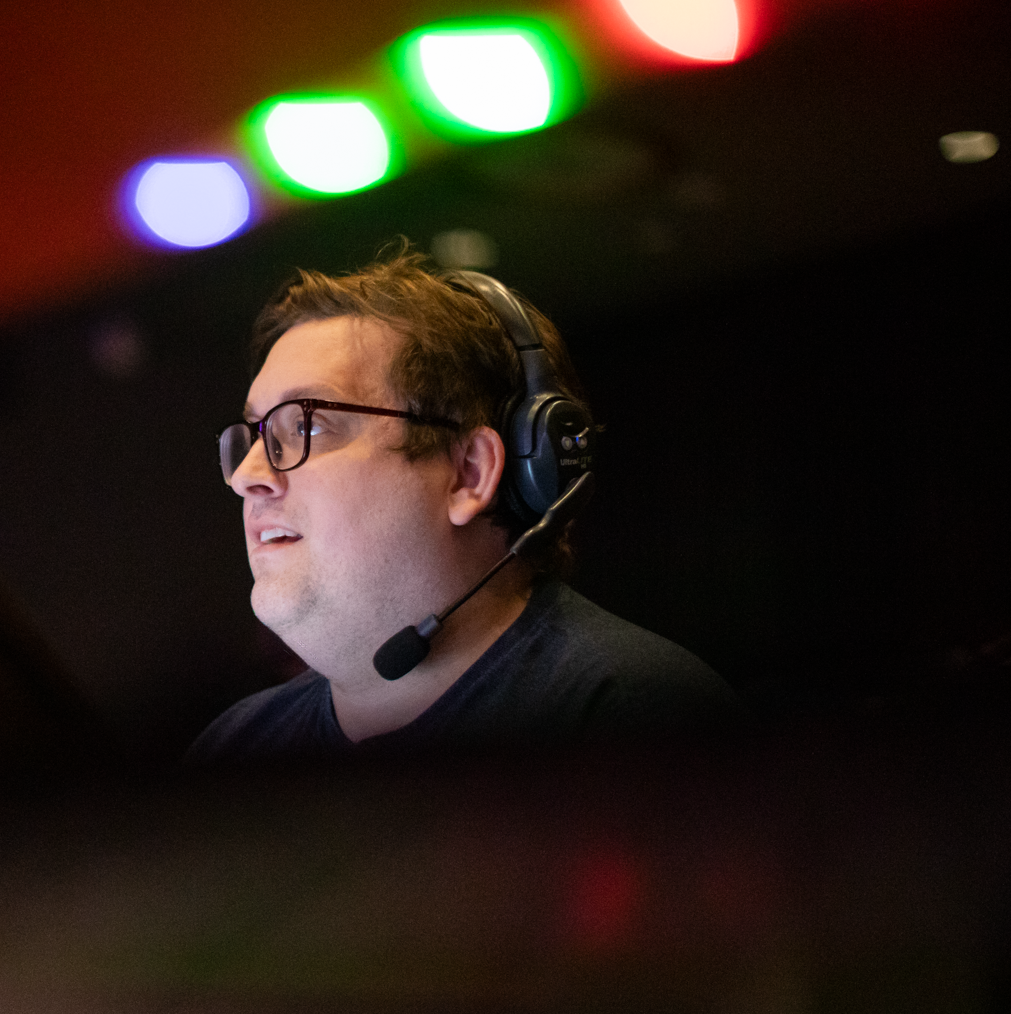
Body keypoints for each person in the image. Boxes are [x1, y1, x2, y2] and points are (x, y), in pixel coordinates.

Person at [188, 247, 740, 764]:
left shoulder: (635, 715)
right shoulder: (232, 747)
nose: (247, 476)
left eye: (306, 425)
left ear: (469, 474)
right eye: (256, 436)